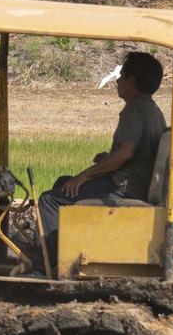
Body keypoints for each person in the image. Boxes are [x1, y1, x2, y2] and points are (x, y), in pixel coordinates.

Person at [33, 51, 166, 276]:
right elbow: (134, 154)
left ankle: (40, 268)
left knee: (49, 200)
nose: (118, 82)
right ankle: (58, 248)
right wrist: (107, 159)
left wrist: (84, 175)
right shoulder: (152, 109)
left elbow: (125, 154)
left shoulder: (133, 110)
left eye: (121, 76)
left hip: (124, 189)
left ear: (131, 82)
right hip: (136, 180)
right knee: (62, 182)